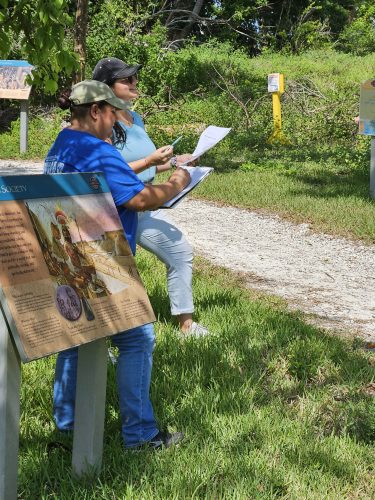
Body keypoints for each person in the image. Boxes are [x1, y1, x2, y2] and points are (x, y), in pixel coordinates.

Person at [44, 79, 191, 449]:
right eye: (112, 113)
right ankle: (141, 436)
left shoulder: (62, 145)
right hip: (103, 258)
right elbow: (141, 199)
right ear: (95, 111)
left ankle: (68, 426)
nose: (116, 121)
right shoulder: (98, 151)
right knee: (138, 338)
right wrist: (177, 181)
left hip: (67, 255)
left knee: (76, 339)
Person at [92, 57, 209, 337]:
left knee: (180, 251)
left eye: (134, 78)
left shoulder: (136, 119)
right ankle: (103, 340)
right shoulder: (103, 124)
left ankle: (186, 325)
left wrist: (173, 161)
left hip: (147, 204)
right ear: (107, 88)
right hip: (121, 207)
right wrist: (148, 161)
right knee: (111, 274)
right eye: (126, 80)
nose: (134, 83)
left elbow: (149, 162)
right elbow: (110, 171)